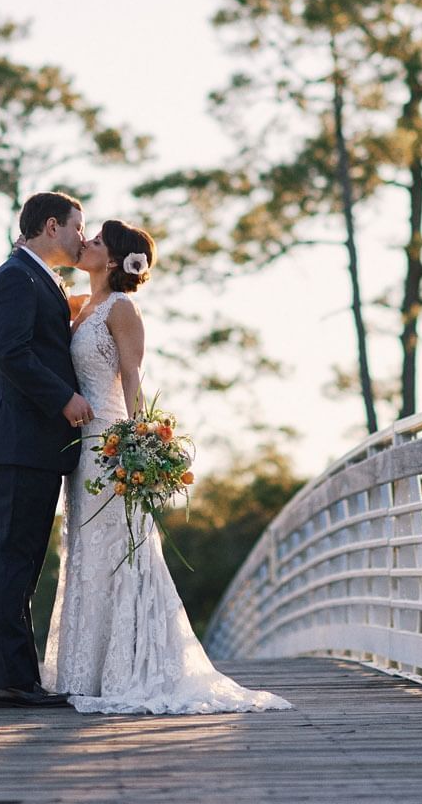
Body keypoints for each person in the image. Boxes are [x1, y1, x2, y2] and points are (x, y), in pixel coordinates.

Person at [41, 219, 291, 715]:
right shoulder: (81, 305)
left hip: (111, 445)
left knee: (120, 551)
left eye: (95, 242)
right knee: (86, 555)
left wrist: (139, 443)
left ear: (112, 260)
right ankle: (84, 671)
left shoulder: (122, 308)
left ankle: (131, 669)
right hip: (82, 447)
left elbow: (133, 376)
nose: (85, 244)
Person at [0, 191, 93, 708]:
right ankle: (12, 682)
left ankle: (19, 678)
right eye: (77, 227)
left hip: (36, 444)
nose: (82, 238)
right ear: (51, 226)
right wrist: (64, 397)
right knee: (12, 561)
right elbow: (10, 353)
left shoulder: (34, 277)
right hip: (23, 440)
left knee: (22, 562)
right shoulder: (13, 277)